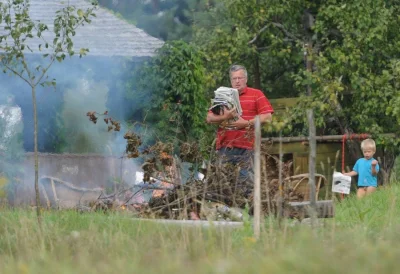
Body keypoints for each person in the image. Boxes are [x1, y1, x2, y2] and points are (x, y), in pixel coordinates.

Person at [206, 64, 274, 190]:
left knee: (247, 185)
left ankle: (249, 209)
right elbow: (209, 118)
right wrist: (224, 116)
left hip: (248, 148)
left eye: (240, 78)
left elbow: (268, 117)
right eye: (234, 79)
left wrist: (246, 123)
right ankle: (229, 209)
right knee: (222, 186)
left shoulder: (256, 94)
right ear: (230, 80)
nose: (237, 81)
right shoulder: (222, 96)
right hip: (225, 147)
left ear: (246, 79)